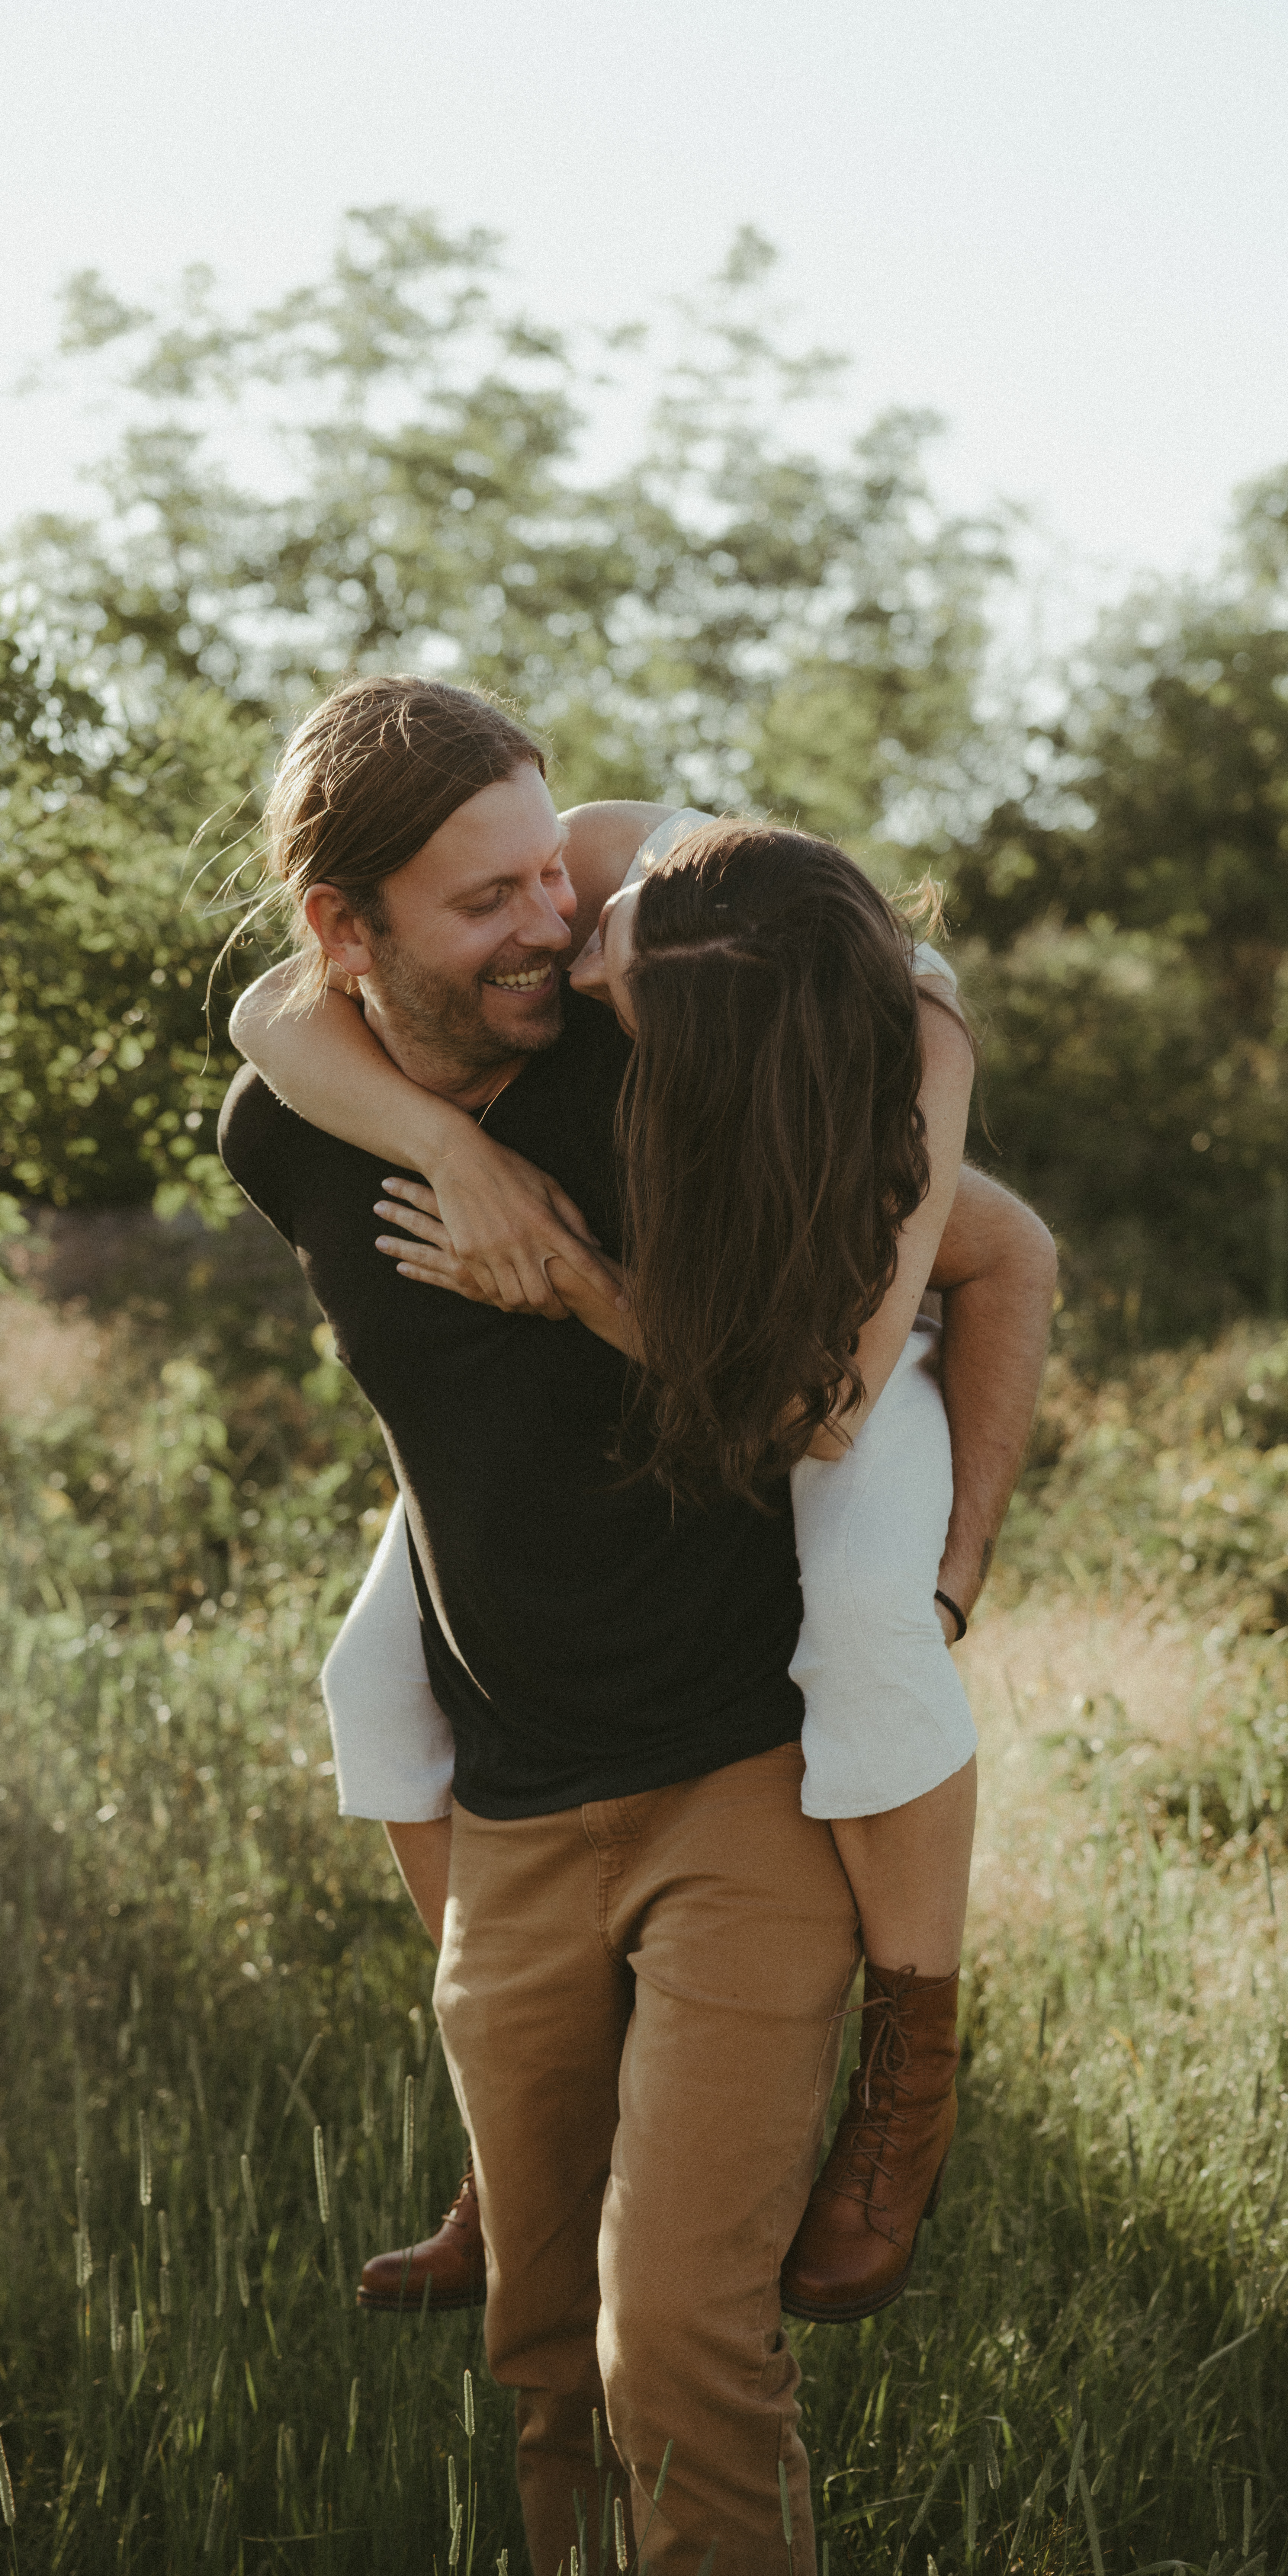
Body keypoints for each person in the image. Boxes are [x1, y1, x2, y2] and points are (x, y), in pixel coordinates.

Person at [217, 676, 1054, 2576]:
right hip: (509, 1804)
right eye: (482, 899)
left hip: (735, 1783)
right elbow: (265, 1039)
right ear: (347, 924)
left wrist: (944, 1543)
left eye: (549, 875)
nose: (545, 922)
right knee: (536, 2354)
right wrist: (438, 1145)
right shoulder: (294, 1123)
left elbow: (972, 1220)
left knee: (674, 2344)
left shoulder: (647, 1047)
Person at [235, 805, 997, 2325]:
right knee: (371, 1684)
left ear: (710, 1050)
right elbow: (271, 1008)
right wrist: (459, 1152)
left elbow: (809, 1409)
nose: (572, 970)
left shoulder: (890, 1074)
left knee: (858, 1624)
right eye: (594, 932)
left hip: (842, 1376)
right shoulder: (597, 858)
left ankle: (908, 2086)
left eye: (610, 985)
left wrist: (954, 1561)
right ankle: (513, 2128)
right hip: (710, 1341)